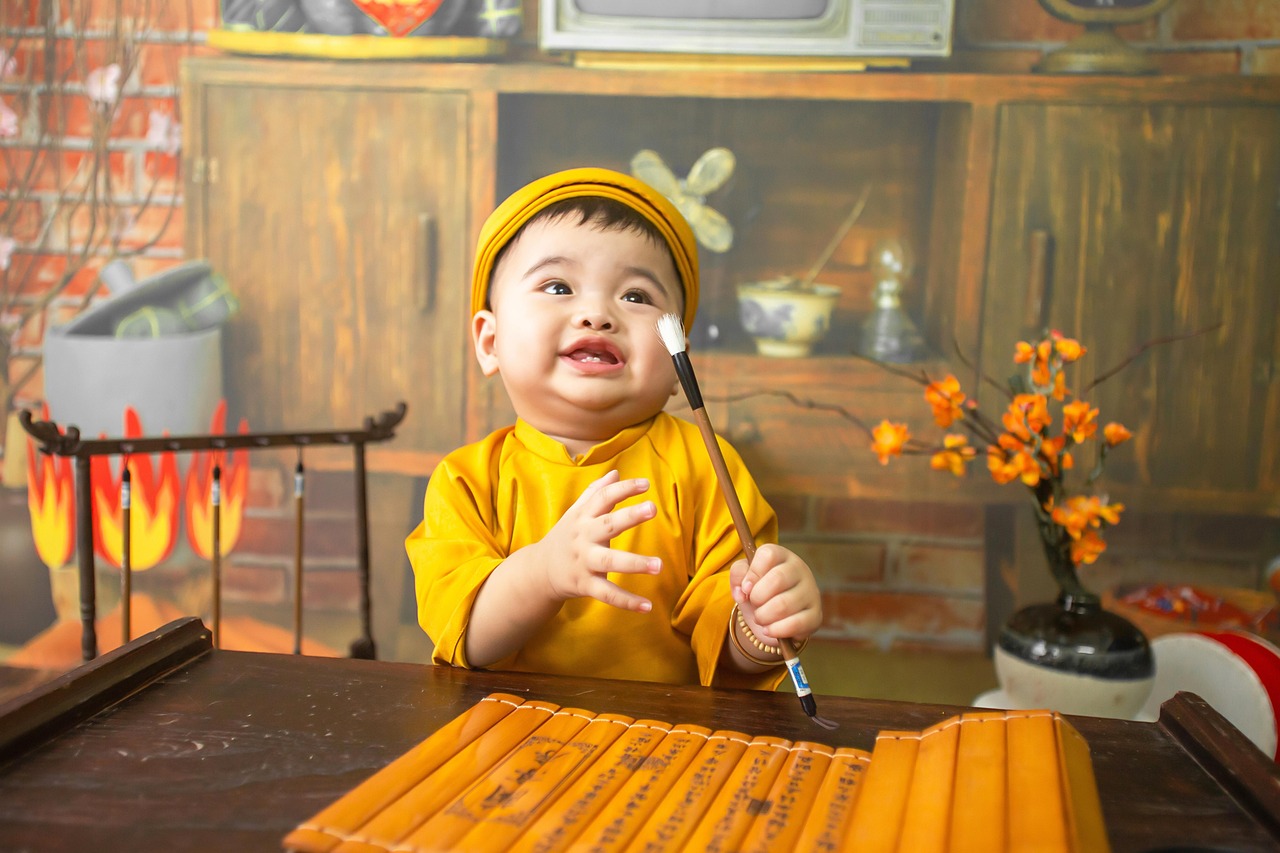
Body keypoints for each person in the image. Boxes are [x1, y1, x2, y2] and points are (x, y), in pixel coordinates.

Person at [405, 167, 822, 689]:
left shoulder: (706, 467)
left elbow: (725, 638)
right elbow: (467, 639)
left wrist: (758, 628)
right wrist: (545, 572)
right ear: (491, 342)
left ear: (678, 358)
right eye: (558, 286)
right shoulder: (466, 482)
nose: (597, 314)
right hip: (507, 727)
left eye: (636, 296)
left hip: (662, 728)